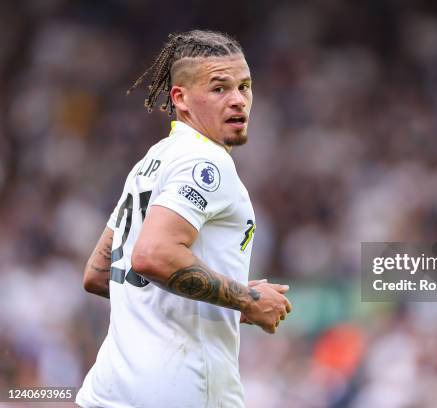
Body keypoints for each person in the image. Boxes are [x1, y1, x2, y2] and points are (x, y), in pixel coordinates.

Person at [76, 30, 292, 408]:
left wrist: (217, 295)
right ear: (181, 98)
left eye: (245, 86)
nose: (238, 100)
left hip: (108, 391)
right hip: (181, 390)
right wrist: (247, 298)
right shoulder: (207, 162)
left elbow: (99, 272)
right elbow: (153, 256)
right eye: (220, 89)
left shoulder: (151, 161)